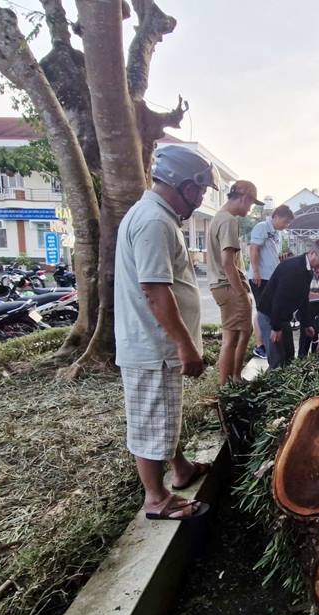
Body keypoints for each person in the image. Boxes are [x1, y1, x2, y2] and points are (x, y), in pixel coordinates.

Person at [114, 144, 214, 522]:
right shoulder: (155, 221)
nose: (201, 198)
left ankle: (181, 468)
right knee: (151, 418)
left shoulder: (158, 216)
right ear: (184, 185)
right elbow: (155, 290)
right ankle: (156, 498)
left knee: (163, 414)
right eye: (199, 190)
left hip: (155, 343)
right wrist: (185, 345)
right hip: (152, 344)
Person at [207, 179, 262, 385]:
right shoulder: (228, 220)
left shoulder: (218, 218)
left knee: (238, 335)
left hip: (221, 285)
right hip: (228, 285)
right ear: (244, 197)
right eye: (250, 203)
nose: (250, 208)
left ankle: (231, 380)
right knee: (234, 338)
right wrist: (241, 293)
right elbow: (227, 263)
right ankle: (229, 382)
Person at [256, 240, 319, 369]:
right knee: (277, 360)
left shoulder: (308, 270)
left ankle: (285, 385)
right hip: (270, 315)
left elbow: (303, 298)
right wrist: (275, 328)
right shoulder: (293, 268)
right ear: (313, 253)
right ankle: (271, 387)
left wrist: (307, 323)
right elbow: (279, 298)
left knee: (289, 356)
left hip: (283, 317)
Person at [248, 205, 295, 359]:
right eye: (285, 221)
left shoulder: (276, 233)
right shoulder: (262, 227)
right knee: (263, 312)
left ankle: (268, 346)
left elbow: (271, 254)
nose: (286, 225)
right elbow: (254, 249)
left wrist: (282, 260)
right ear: (276, 216)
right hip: (260, 277)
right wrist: (256, 272)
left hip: (271, 277)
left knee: (270, 310)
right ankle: (261, 346)